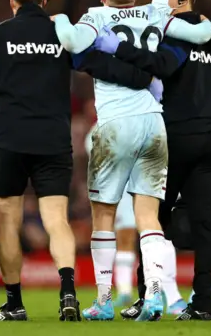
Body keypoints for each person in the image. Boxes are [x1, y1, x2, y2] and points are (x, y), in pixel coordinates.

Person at [0, 0, 161, 322]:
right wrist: (146, 80)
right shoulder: (61, 34)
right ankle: (68, 295)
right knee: (56, 221)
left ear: (12, 1)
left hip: (10, 141)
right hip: (53, 141)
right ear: (45, 0)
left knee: (8, 222)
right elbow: (98, 64)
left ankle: (14, 304)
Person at [53, 0, 211, 322]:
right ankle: (155, 295)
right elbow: (202, 33)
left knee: (104, 215)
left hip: (115, 124)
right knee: (148, 215)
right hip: (154, 123)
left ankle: (104, 300)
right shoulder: (156, 13)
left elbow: (72, 43)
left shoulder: (95, 16)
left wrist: (62, 20)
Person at [94, 0, 211, 320]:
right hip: (209, 141)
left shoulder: (174, 33)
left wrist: (118, 48)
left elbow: (162, 65)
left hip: (176, 138)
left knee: (152, 220)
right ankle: (202, 302)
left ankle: (148, 298)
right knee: (204, 225)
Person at [84, 124, 138, 308]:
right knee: (126, 238)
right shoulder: (102, 125)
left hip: (142, 183)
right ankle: (124, 291)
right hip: (121, 190)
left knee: (157, 235)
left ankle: (161, 288)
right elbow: (92, 149)